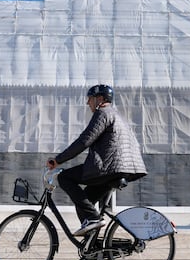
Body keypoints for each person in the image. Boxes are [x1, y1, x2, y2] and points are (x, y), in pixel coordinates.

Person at [47, 84, 147, 242]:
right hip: (120, 169)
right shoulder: (117, 115)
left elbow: (84, 141)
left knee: (65, 177)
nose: (88, 103)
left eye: (90, 99)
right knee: (83, 204)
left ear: (99, 99)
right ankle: (92, 252)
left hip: (109, 168)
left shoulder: (103, 113)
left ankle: (93, 218)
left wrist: (58, 160)